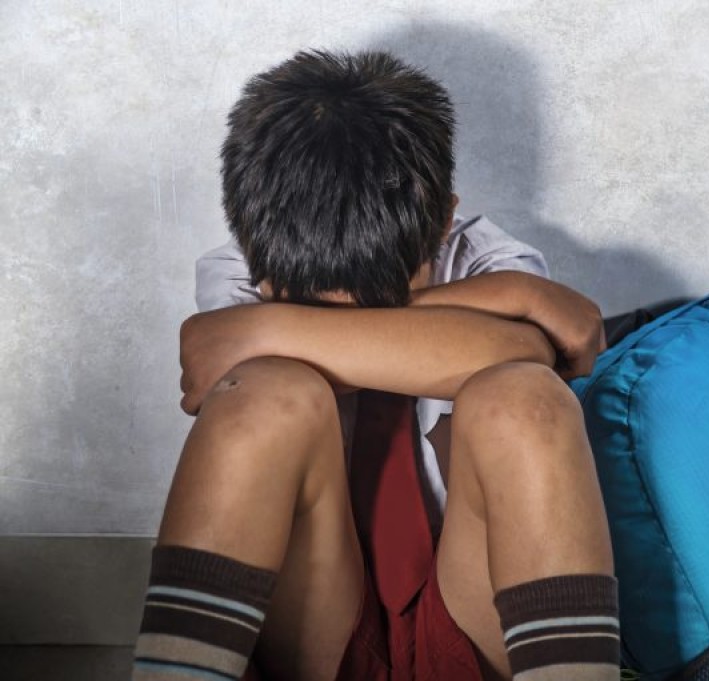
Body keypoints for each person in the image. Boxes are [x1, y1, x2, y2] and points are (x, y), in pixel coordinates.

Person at [131, 49, 619, 681]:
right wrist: (508, 305)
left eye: (377, 299)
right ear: (247, 239)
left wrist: (277, 323)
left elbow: (523, 355)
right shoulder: (249, 256)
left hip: (473, 607)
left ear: (443, 223)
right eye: (317, 303)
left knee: (525, 397)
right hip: (317, 613)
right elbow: (211, 364)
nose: (349, 313)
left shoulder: (481, 255)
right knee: (263, 394)